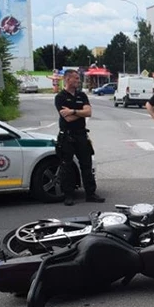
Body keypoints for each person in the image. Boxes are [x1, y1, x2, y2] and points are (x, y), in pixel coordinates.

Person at [55, 69, 104, 206]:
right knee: (67, 166)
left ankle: (91, 193)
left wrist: (73, 110)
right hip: (67, 136)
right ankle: (68, 195)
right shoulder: (60, 97)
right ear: (68, 79)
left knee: (86, 165)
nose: (78, 80)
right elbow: (68, 119)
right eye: (76, 78)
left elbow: (89, 112)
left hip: (81, 135)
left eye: (78, 78)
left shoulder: (81, 95)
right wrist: (79, 112)